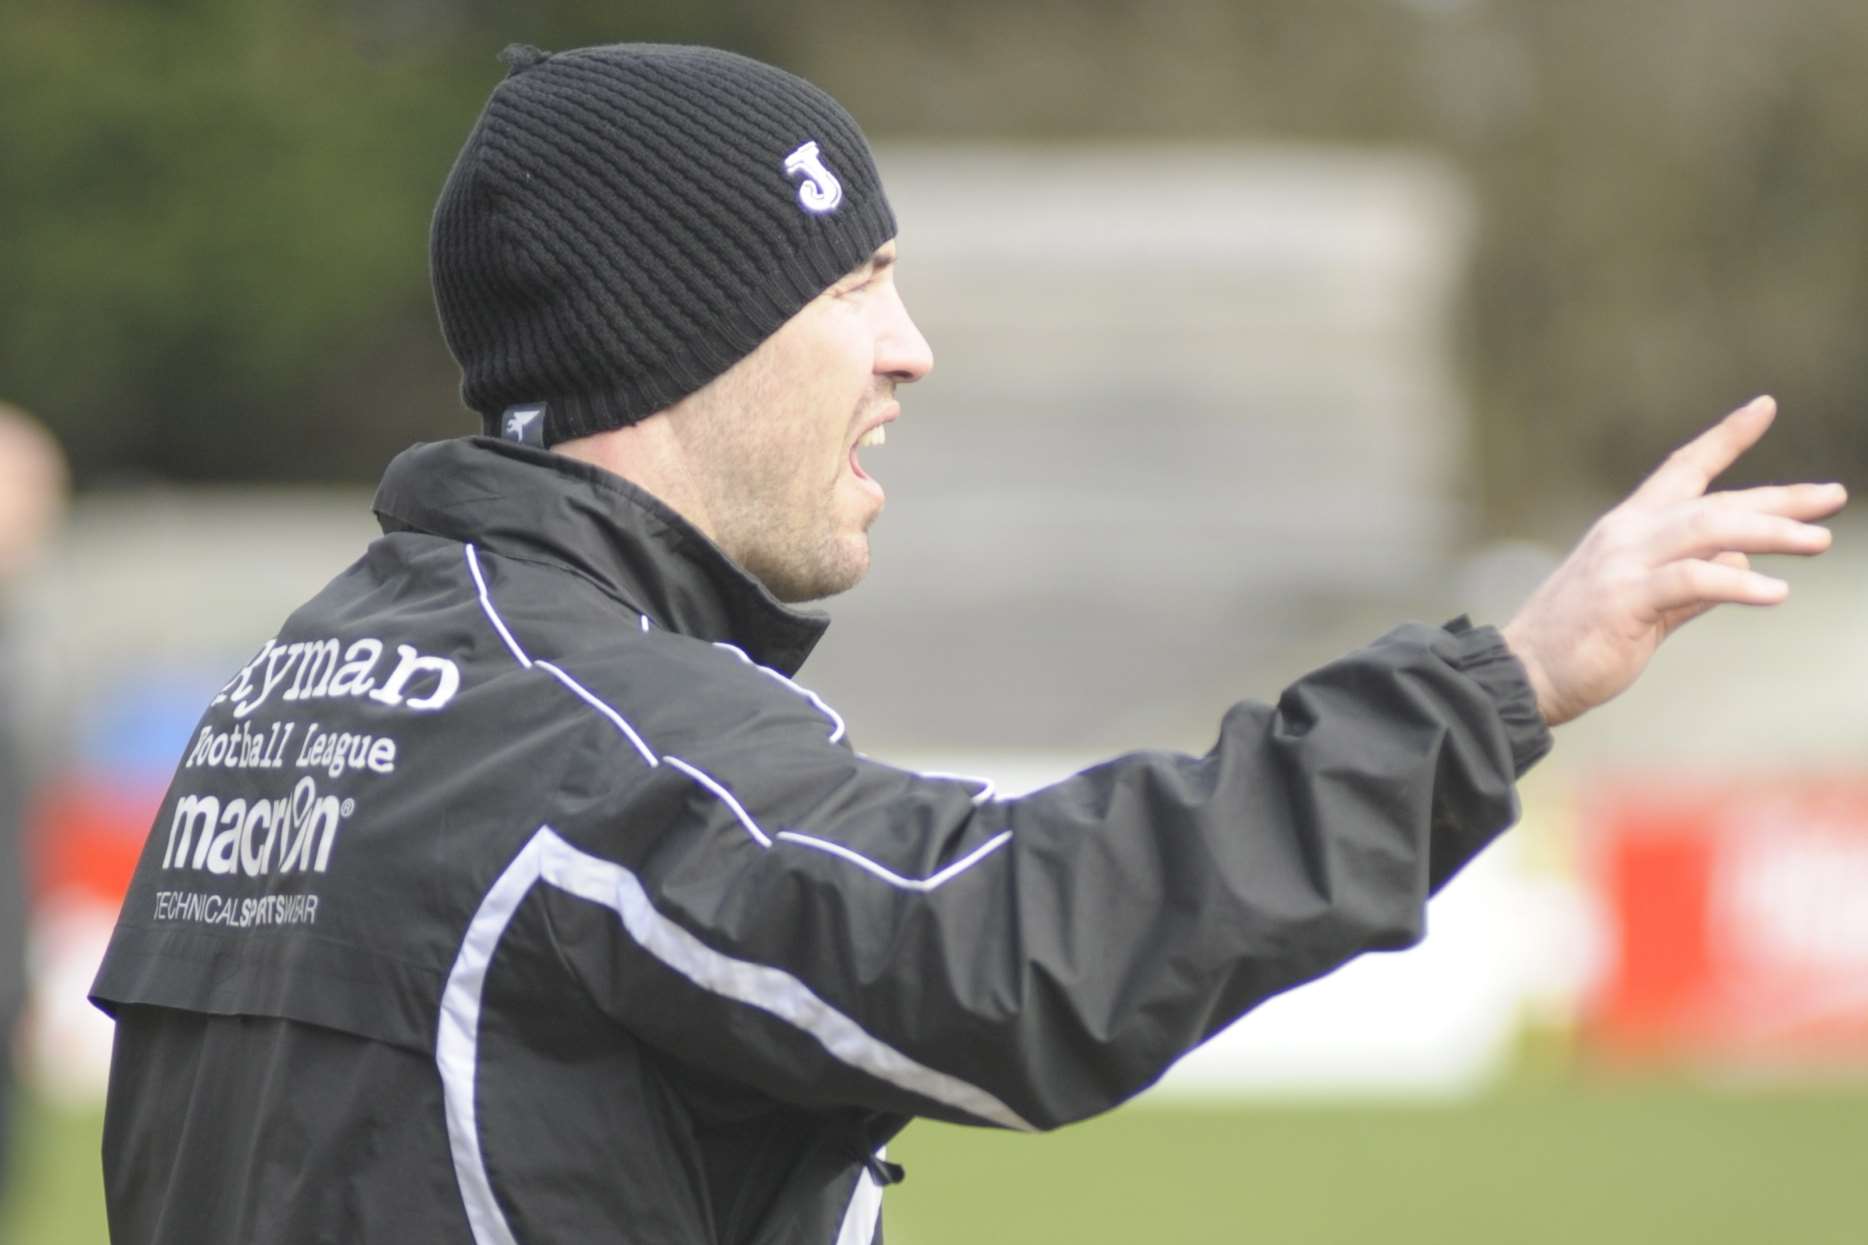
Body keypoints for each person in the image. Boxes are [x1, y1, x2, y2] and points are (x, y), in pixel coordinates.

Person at [89, 42, 1845, 1245]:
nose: (913, 347)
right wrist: (1499, 684)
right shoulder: (578, 735)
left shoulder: (300, 692)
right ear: (681, 339)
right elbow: (1006, 945)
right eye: (851, 285)